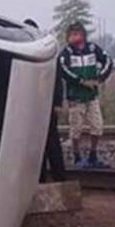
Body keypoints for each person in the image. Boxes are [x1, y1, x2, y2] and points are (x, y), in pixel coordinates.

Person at [58, 22, 113, 168]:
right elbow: (63, 70)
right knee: (76, 129)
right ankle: (77, 156)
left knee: (97, 126)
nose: (73, 37)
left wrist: (100, 78)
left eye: (76, 34)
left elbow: (108, 61)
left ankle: (93, 155)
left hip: (92, 96)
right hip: (76, 97)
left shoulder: (93, 49)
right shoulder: (66, 53)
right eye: (71, 35)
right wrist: (80, 81)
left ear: (83, 35)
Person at [25, 18, 66, 182]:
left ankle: (58, 178)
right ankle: (40, 179)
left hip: (46, 106)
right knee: (38, 145)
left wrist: (56, 103)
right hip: (34, 106)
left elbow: (57, 80)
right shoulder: (34, 55)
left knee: (50, 142)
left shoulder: (49, 56)